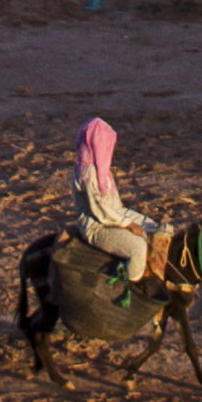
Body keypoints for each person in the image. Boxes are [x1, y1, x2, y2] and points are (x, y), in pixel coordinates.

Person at [66, 115, 151, 292]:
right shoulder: (87, 173)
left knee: (151, 227)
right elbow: (101, 211)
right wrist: (128, 224)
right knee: (138, 248)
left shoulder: (100, 169)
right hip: (97, 227)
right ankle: (129, 293)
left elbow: (115, 208)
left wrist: (143, 223)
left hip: (112, 217)